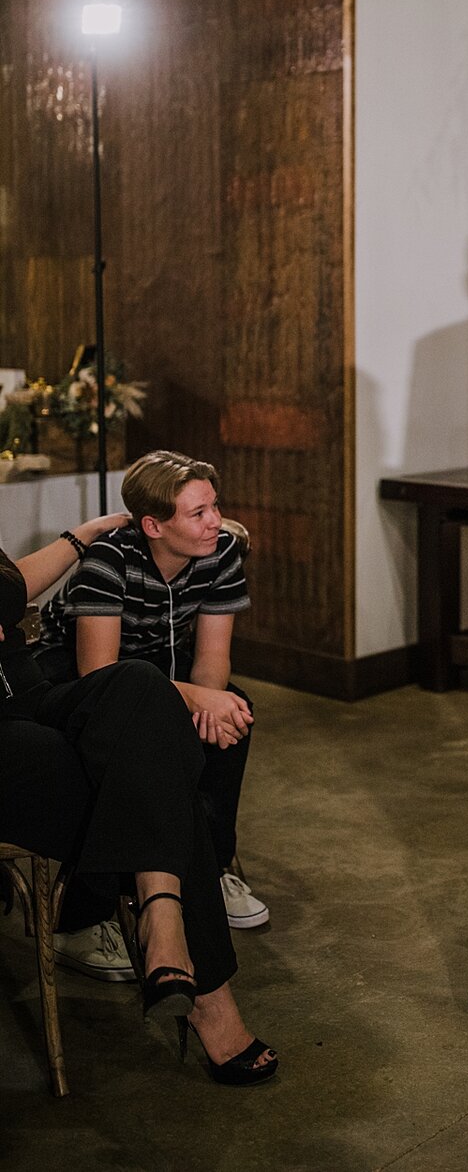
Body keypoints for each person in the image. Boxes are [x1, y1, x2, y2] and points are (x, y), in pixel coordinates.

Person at [0, 528, 277, 1085]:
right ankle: (203, 992)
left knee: (140, 684)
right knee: (155, 777)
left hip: (29, 697)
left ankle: (160, 913)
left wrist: (90, 532)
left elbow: (13, 586)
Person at [35, 450, 268, 975]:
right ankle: (87, 912)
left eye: (214, 506)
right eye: (198, 513)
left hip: (157, 665)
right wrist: (188, 699)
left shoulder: (221, 549)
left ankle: (209, 866)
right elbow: (101, 674)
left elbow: (211, 657)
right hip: (78, 678)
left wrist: (206, 704)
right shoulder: (109, 561)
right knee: (126, 745)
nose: (216, 522)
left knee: (233, 711)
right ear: (153, 526)